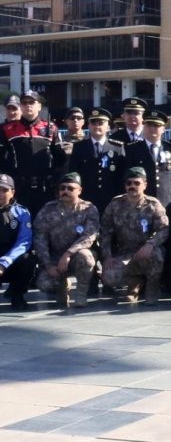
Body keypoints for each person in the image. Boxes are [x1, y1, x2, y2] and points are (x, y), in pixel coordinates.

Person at [99, 167, 170, 305]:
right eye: (129, 183)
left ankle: (152, 289)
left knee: (157, 255)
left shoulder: (153, 204)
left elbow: (164, 229)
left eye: (136, 183)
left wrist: (151, 244)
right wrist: (107, 256)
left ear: (145, 185)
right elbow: (105, 231)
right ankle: (134, 283)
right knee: (109, 276)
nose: (132, 186)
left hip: (147, 252)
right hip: (124, 253)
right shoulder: (115, 203)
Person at [32, 172, 99, 307]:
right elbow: (40, 238)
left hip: (76, 257)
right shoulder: (48, 209)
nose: (65, 191)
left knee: (86, 257)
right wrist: (48, 264)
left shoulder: (89, 209)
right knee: (44, 283)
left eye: (70, 188)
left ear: (79, 190)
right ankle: (62, 286)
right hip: (55, 258)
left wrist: (69, 253)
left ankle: (80, 294)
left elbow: (89, 236)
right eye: (62, 188)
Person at [3, 90, 65, 216]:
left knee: (46, 227)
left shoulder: (51, 128)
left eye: (32, 102)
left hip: (45, 188)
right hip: (20, 189)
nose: (28, 105)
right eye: (24, 103)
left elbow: (60, 158)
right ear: (21, 106)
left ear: (39, 106)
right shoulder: (7, 129)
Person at [68, 107, 126, 215]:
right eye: (93, 123)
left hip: (111, 200)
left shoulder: (117, 147)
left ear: (108, 127)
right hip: (86, 200)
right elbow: (74, 174)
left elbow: (121, 176)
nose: (97, 126)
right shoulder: (79, 147)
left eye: (100, 123)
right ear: (88, 126)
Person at [0, 173, 36, 310]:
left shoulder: (22, 213)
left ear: (12, 192)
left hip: (11, 260)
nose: (1, 194)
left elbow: (24, 242)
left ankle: (17, 295)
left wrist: (3, 263)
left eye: (5, 190)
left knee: (28, 259)